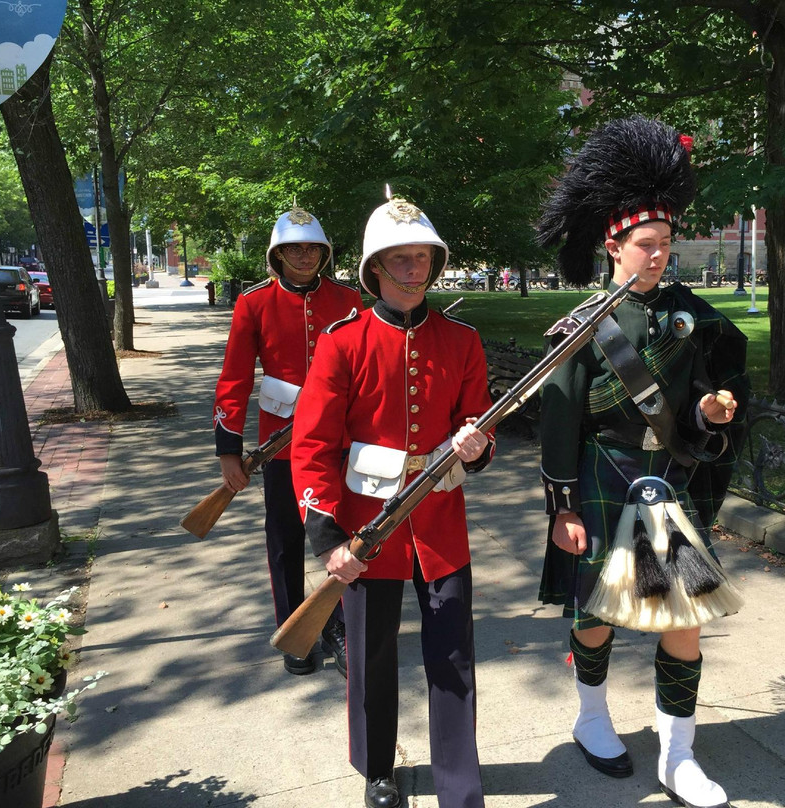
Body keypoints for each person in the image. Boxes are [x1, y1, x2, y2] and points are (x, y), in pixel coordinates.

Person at [535, 116, 750, 808]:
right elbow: (561, 420)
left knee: (682, 618)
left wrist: (710, 412)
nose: (658, 256)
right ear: (614, 245)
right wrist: (563, 508)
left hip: (667, 481)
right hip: (603, 474)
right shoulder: (584, 324)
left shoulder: (692, 316)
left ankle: (676, 756)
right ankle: (591, 719)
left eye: (665, 244)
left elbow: (698, 401)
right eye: (645, 245)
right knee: (595, 613)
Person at [291, 192, 495, 808]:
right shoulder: (342, 342)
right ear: (374, 268)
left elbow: (479, 429)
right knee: (371, 655)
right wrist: (328, 539)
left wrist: (475, 445)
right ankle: (377, 768)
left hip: (440, 524)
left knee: (453, 656)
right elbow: (313, 444)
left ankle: (458, 784)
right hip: (366, 527)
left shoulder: (462, 340)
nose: (413, 269)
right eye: (400, 258)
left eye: (422, 257)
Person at [213, 206, 365, 677]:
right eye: (294, 249)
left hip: (341, 437)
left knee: (344, 535)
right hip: (281, 442)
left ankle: (342, 626)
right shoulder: (254, 302)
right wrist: (228, 449)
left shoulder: (349, 299)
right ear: (277, 255)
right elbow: (235, 378)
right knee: (284, 538)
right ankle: (293, 629)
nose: (304, 256)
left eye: (312, 248)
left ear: (325, 252)